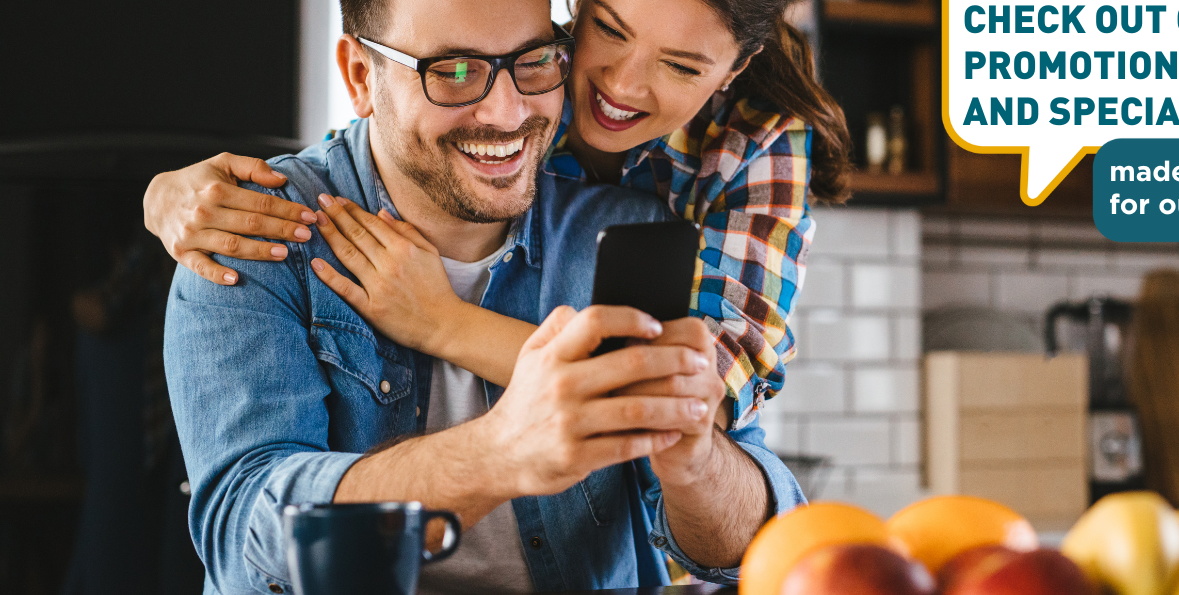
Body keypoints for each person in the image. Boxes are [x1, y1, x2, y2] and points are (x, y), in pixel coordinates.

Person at [162, 1, 803, 593]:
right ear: (360, 75)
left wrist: (694, 463)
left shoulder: (637, 231)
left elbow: (751, 542)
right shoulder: (246, 226)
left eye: (531, 63)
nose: (504, 113)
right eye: (455, 71)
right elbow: (241, 529)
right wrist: (496, 455)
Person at [144, 0, 853, 432]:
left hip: (646, 516)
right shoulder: (532, 71)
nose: (620, 83)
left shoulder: (758, 142)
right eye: (608, 29)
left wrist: (443, 322)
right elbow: (401, 133)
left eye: (680, 66)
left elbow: (689, 394)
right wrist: (164, 193)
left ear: (732, 69)